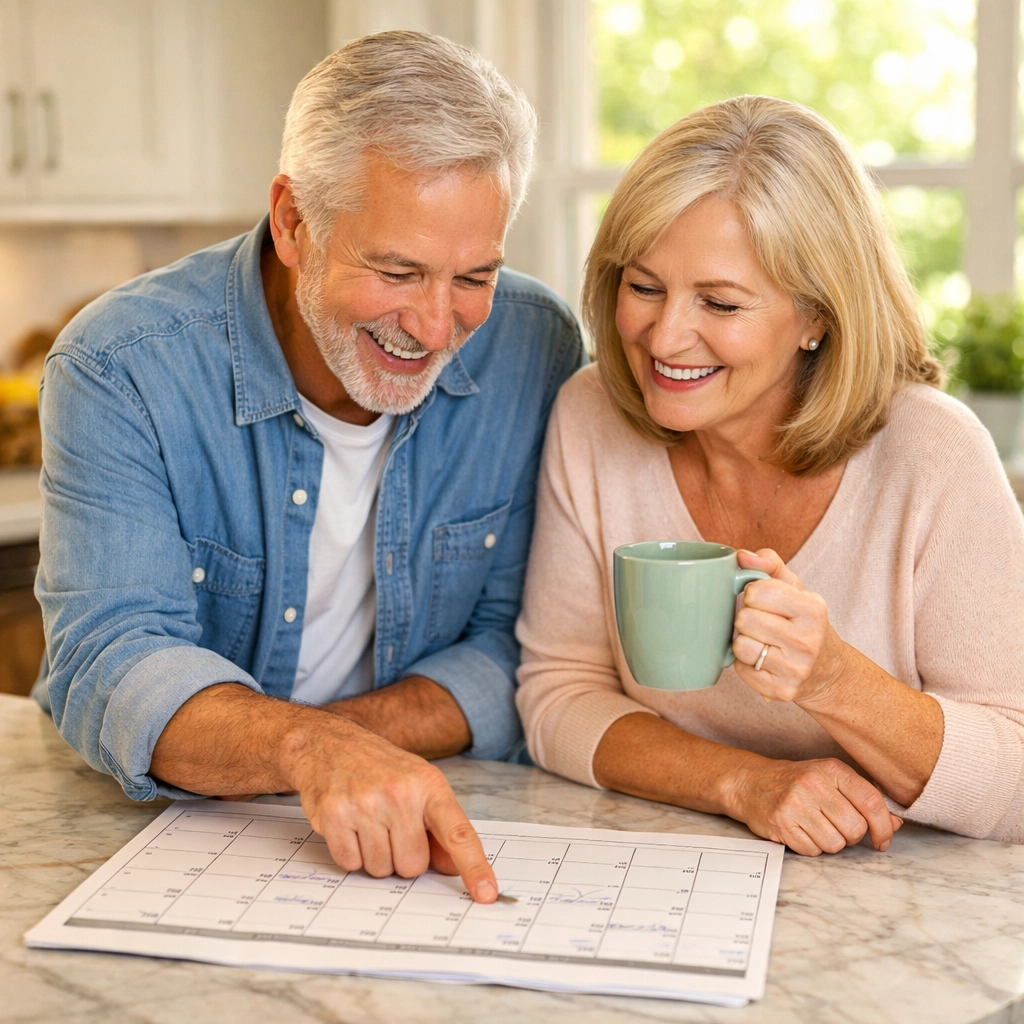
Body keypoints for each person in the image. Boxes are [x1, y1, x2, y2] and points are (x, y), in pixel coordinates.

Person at [35, 31, 584, 901]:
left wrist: (333, 749)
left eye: (474, 275)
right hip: (178, 840)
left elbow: (515, 645)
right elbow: (111, 658)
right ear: (294, 222)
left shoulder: (535, 343)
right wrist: (308, 751)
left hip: (425, 809)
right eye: (398, 271)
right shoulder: (121, 365)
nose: (438, 328)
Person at [515, 95, 1024, 852]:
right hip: (671, 861)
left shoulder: (933, 454)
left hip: (902, 898)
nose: (665, 336)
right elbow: (558, 692)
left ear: (818, 316)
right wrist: (743, 783)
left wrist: (832, 681)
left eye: (719, 302)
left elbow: (1015, 781)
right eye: (644, 286)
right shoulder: (591, 417)